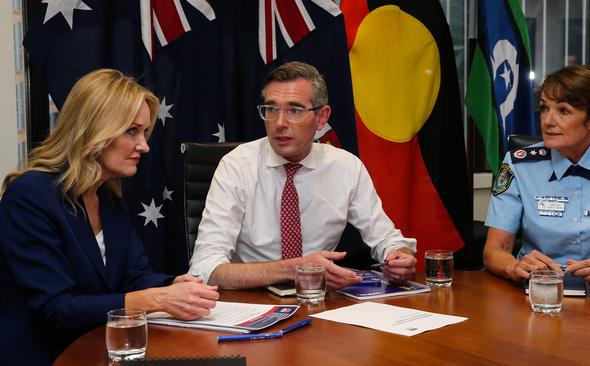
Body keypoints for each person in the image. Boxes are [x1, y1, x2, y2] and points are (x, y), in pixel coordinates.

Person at [0, 69, 219, 365]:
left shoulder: (106, 196)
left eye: (143, 132)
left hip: (102, 350)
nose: (145, 145)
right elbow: (56, 308)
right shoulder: (29, 196)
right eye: (132, 131)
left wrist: (174, 284)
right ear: (94, 130)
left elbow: (134, 276)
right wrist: (157, 300)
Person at [189, 61, 417, 289]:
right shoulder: (236, 165)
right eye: (271, 109)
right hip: (252, 301)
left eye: (294, 110)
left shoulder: (346, 166)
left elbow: (388, 240)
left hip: (320, 300)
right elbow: (204, 268)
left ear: (321, 117)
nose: (279, 123)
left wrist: (399, 257)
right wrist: (296, 268)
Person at [483, 64, 590, 289]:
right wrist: (514, 266)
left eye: (563, 111)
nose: (548, 121)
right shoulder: (519, 164)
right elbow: (494, 251)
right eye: (544, 108)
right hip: (538, 294)